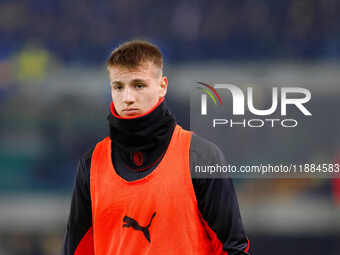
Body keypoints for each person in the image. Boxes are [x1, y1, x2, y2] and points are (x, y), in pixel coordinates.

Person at [62, 40, 250, 254]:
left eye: (139, 85)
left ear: (162, 87)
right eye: (118, 87)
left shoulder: (200, 157)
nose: (128, 98)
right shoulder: (92, 164)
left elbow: (233, 248)